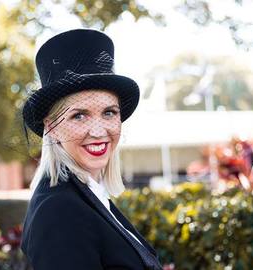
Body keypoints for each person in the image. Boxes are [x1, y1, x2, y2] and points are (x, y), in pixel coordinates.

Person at [20, 29, 163, 270]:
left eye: (109, 112)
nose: (98, 131)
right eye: (79, 116)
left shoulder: (90, 195)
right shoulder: (59, 212)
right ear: (51, 127)